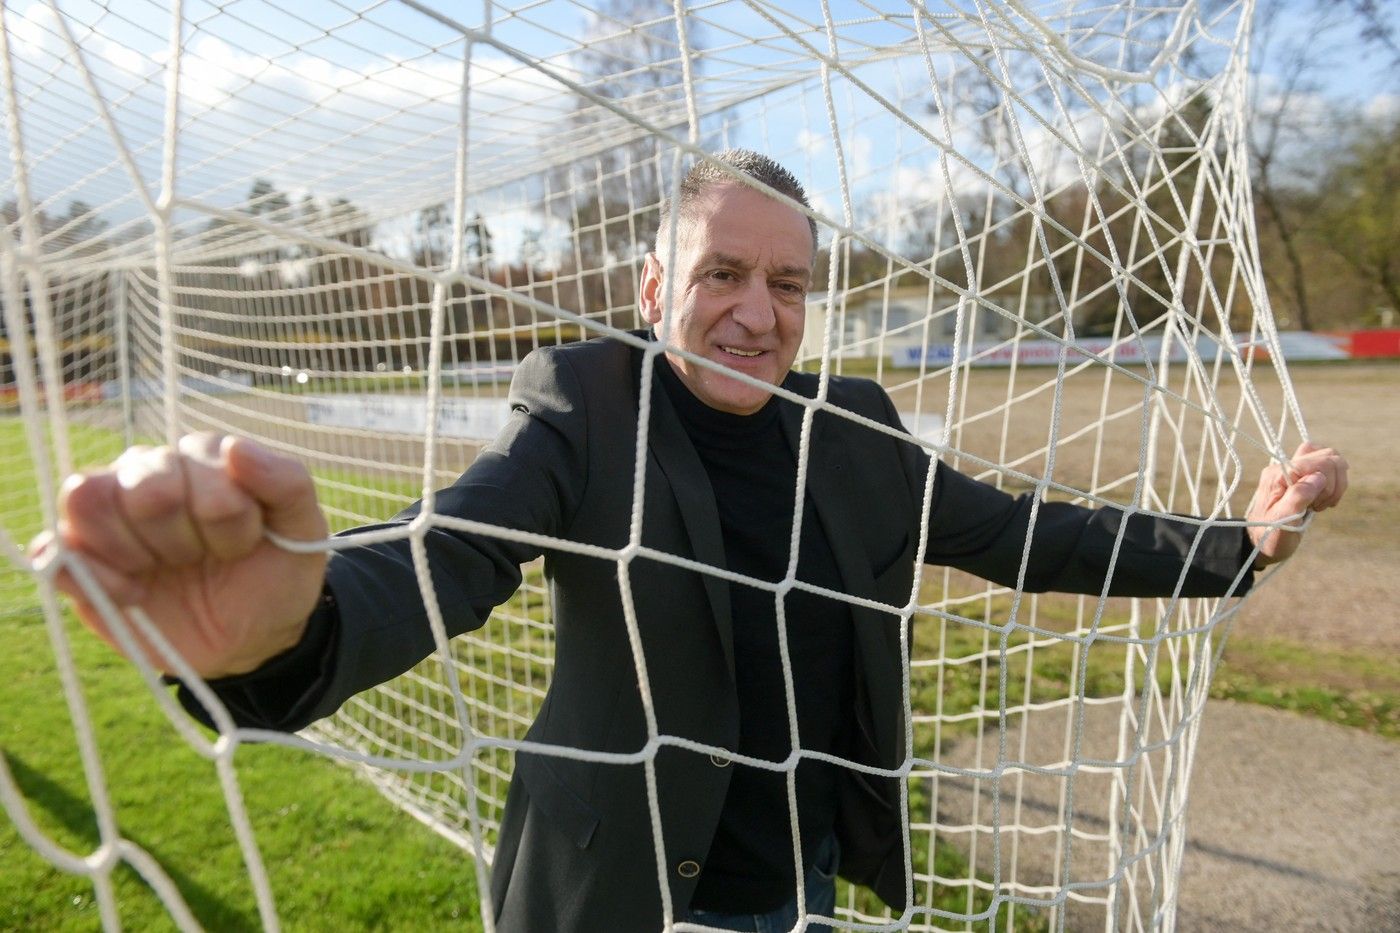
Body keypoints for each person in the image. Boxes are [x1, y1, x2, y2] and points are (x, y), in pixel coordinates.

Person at [42, 150, 1347, 932]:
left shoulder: (860, 425)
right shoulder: (587, 406)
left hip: (806, 878)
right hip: (628, 894)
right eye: (723, 273)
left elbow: (1024, 532)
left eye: (788, 283)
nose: (757, 312)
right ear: (655, 288)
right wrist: (305, 621)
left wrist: (1237, 543)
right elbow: (459, 543)